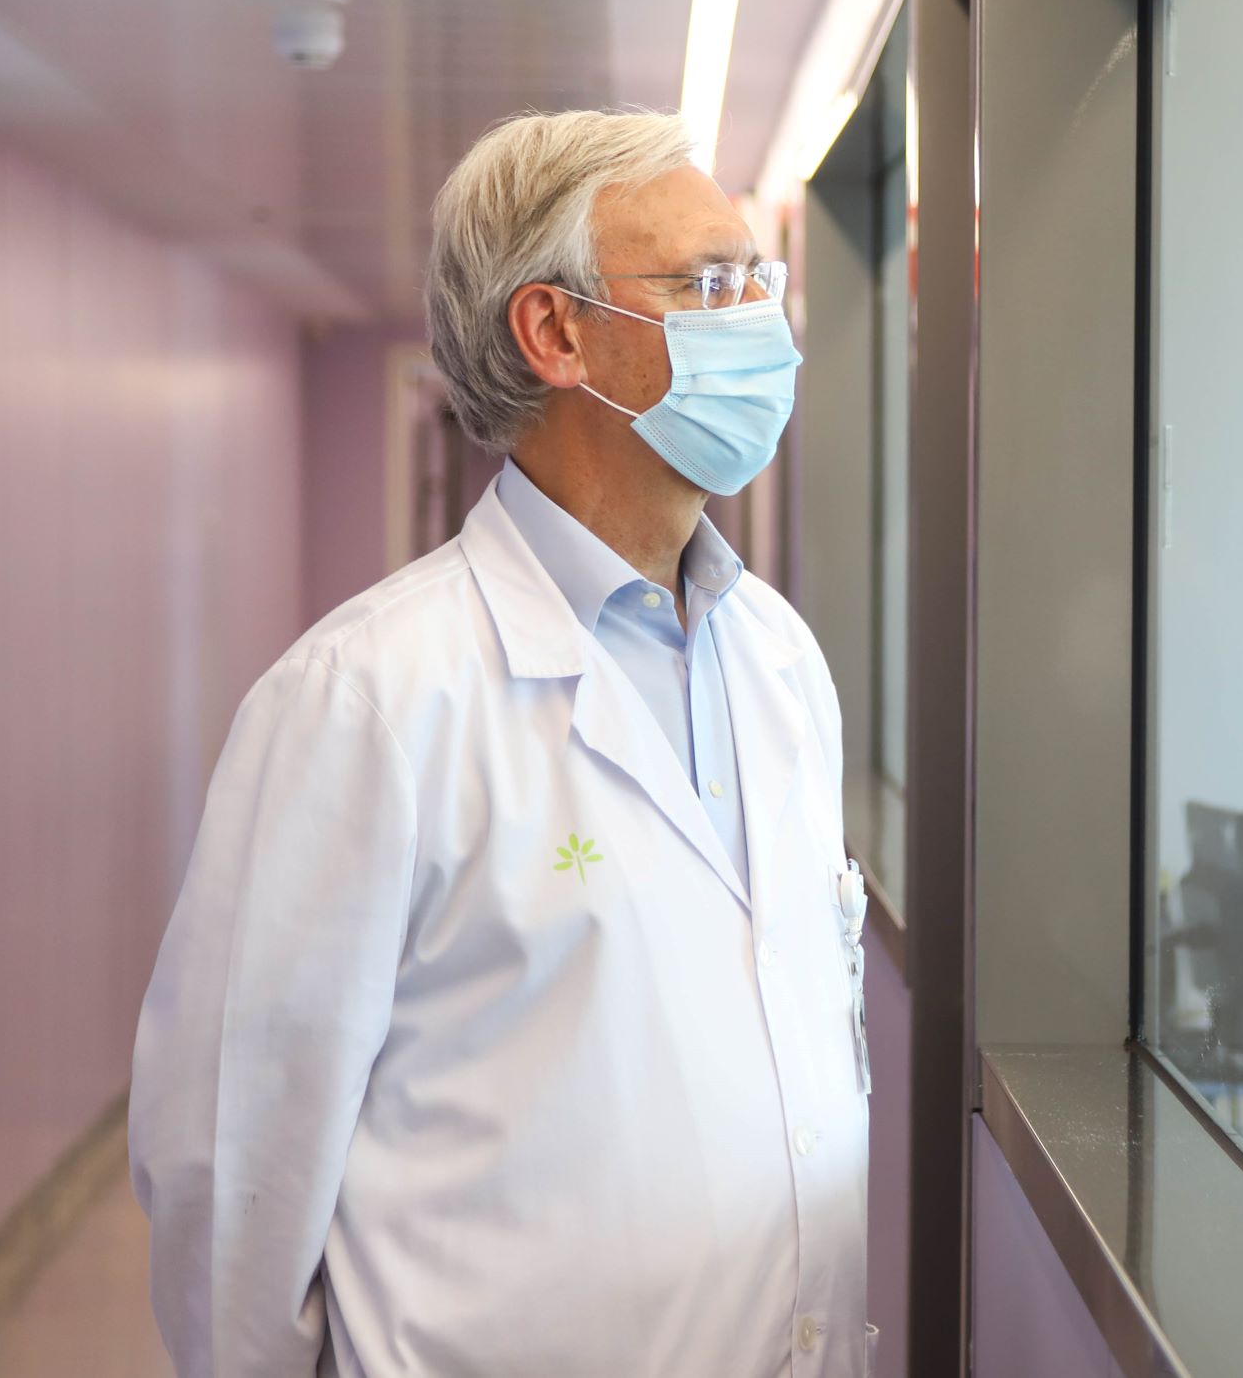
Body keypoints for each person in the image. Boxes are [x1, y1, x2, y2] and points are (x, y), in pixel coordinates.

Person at [129, 109, 868, 1377]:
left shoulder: (781, 660)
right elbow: (230, 1184)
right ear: (556, 332)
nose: (763, 325)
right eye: (707, 285)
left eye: (760, 282)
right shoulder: (364, 704)